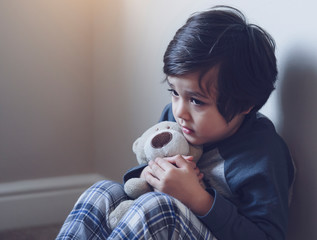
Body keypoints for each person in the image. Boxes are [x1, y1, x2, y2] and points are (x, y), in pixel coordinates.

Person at [56, 5, 295, 240]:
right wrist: (150, 174)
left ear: (245, 104)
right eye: (174, 92)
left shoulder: (262, 154)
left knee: (160, 210)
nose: (179, 111)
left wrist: (200, 200)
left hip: (198, 226)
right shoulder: (175, 121)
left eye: (197, 101)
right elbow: (140, 184)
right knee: (103, 192)